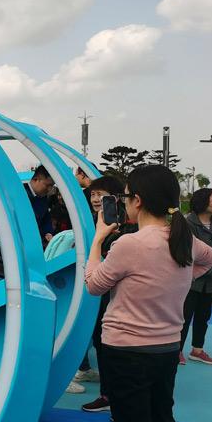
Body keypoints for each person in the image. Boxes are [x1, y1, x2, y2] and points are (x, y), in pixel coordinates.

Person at [85, 164, 212, 422]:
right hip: (164, 350)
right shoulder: (183, 239)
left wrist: (97, 240)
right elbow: (208, 259)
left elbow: (94, 285)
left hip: (126, 352)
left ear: (137, 200)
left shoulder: (129, 245)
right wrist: (177, 280)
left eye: (125, 197)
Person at [77, 175, 128, 409]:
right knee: (100, 340)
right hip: (98, 293)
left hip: (117, 296)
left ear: (116, 198)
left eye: (101, 195)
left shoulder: (123, 227)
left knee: (115, 346)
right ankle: (108, 395)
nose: (95, 199)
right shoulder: (90, 222)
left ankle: (117, 398)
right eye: (93, 194)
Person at [178, 188, 212, 365]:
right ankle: (176, 350)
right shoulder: (188, 224)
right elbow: (190, 252)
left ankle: (197, 350)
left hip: (211, 279)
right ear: (203, 202)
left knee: (204, 316)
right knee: (184, 316)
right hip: (190, 279)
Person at [25, 165, 56, 245]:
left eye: (52, 186)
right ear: (36, 179)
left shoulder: (43, 198)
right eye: (47, 185)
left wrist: (48, 232)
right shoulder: (20, 193)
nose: (49, 189)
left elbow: (46, 218)